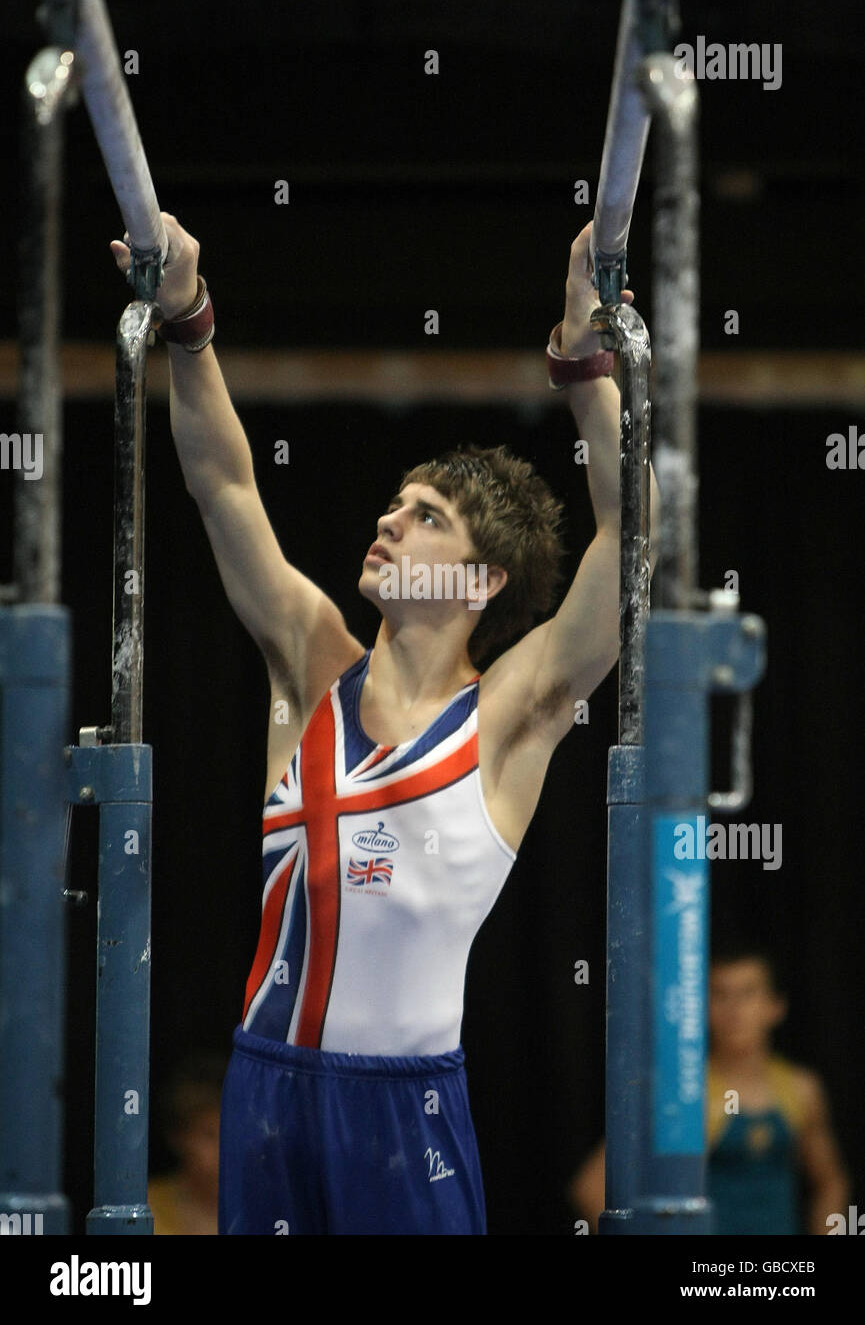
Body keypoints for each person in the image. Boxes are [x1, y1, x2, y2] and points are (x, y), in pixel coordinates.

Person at [110, 213, 659, 1236]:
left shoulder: (508, 714)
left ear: (481, 578)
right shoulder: (311, 658)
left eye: (423, 516)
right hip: (264, 1093)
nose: (386, 521)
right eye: (392, 504)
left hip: (404, 1109)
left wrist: (585, 364)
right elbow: (223, 483)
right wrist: (188, 317)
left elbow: (634, 534)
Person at [569, 946, 851, 1234]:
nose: (734, 1010)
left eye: (747, 994)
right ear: (703, 1006)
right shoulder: (683, 1093)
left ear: (775, 1006)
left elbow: (830, 1181)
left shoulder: (800, 1089)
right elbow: (592, 1186)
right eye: (721, 995)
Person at [147, 1051, 223, 1235]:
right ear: (178, 1137)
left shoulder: (263, 1208)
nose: (222, 1149)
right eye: (209, 1135)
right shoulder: (146, 1209)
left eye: (231, 1134)